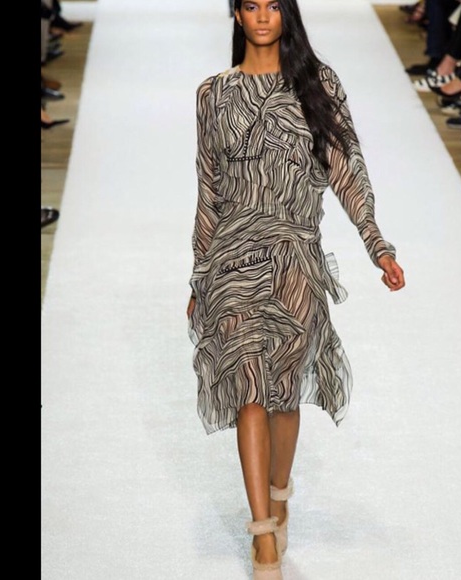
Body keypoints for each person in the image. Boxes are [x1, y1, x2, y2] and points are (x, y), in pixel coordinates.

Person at [186, 1, 405, 578]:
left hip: (295, 259)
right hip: (232, 259)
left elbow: (346, 168)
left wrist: (377, 244)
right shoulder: (213, 94)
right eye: (251, 5)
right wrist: (199, 273)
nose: (263, 17)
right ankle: (263, 536)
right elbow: (209, 188)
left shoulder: (317, 84)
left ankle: (278, 493)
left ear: (288, 14)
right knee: (249, 389)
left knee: (283, 394)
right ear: (236, 15)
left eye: (273, 5)